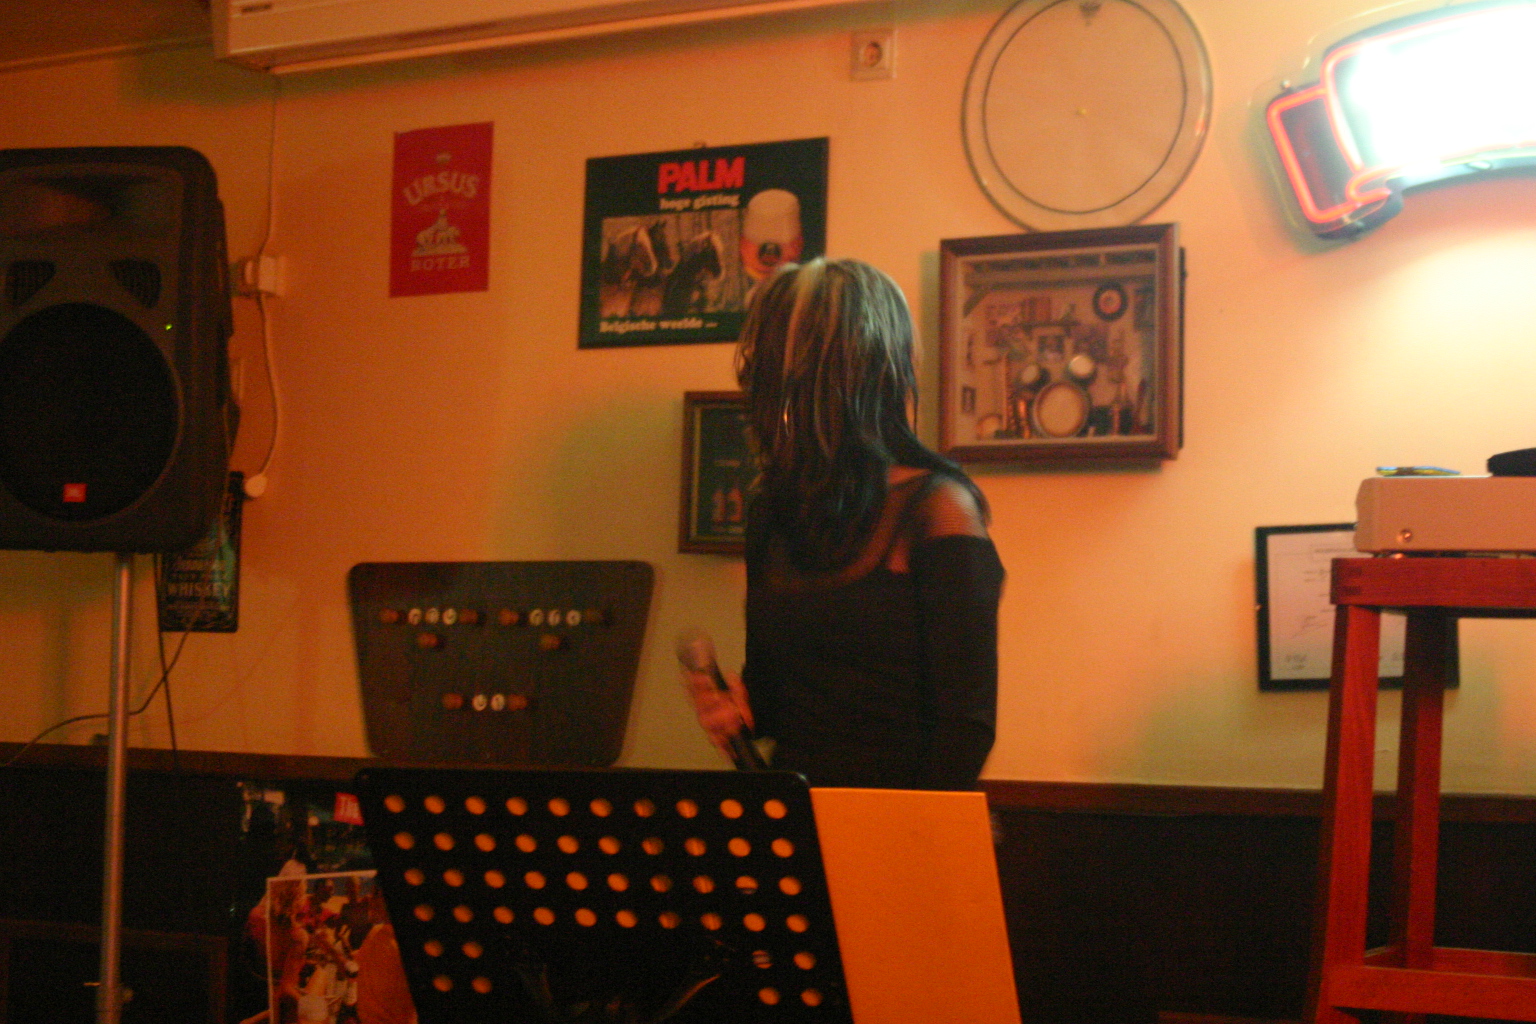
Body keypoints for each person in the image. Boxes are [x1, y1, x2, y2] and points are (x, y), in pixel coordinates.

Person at [684, 258, 1004, 789]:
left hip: (905, 818)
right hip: (798, 811)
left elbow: (965, 730)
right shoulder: (772, 511)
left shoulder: (937, 507)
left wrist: (885, 828)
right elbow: (775, 705)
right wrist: (740, 712)